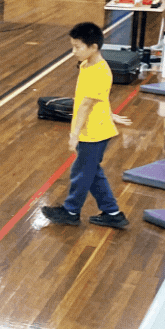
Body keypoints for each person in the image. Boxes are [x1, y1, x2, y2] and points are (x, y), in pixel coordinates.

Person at [42, 22, 132, 229]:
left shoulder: (100, 72)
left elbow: (85, 105)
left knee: (81, 172)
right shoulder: (86, 65)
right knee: (91, 172)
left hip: (94, 133)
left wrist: (74, 134)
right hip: (94, 128)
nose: (73, 52)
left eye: (77, 47)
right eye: (72, 46)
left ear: (93, 47)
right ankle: (112, 213)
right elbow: (99, 98)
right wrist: (111, 114)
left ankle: (71, 211)